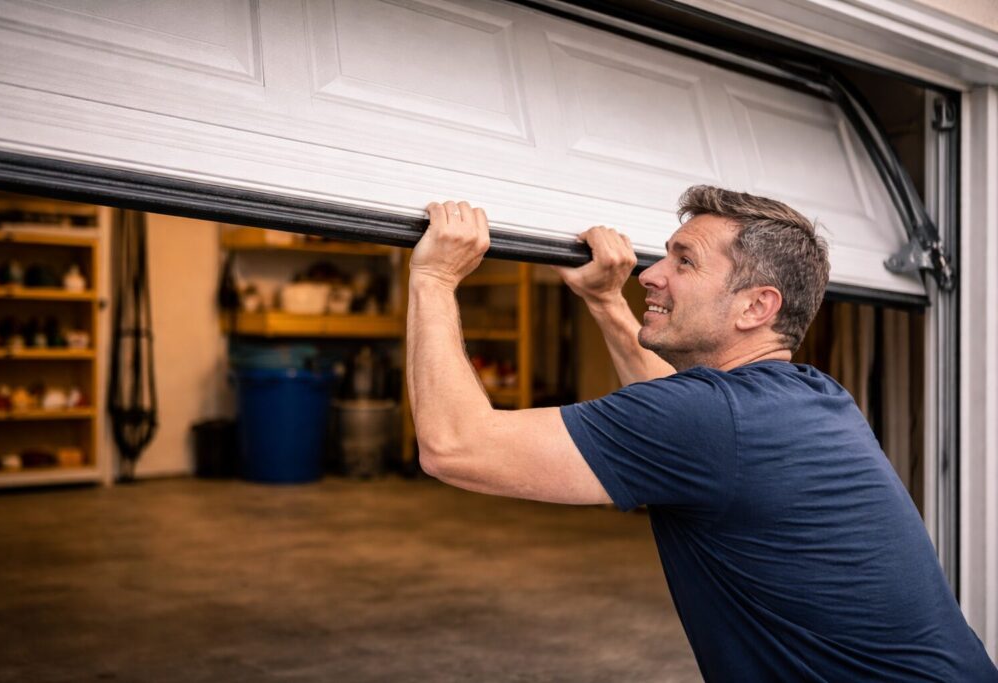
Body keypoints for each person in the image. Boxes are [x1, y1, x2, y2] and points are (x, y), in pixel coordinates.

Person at [406, 186, 998, 682]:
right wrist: (604, 299)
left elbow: (455, 446)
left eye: (683, 262)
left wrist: (434, 277)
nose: (651, 274)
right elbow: (676, 417)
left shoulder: (711, 421)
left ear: (755, 307)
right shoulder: (809, 395)